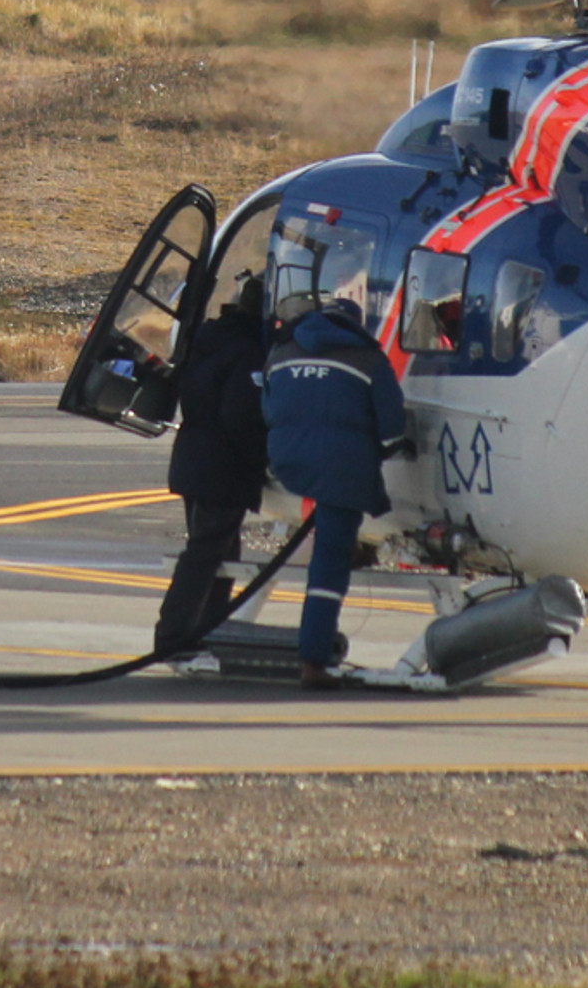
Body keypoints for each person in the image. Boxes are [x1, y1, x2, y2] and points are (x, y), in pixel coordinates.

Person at [261, 279, 409, 690]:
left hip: (288, 464)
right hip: (343, 471)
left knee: (327, 529)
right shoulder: (367, 359)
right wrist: (390, 450)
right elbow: (393, 428)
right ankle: (314, 659)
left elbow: (269, 408)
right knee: (329, 564)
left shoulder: (282, 352)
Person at [154, 275, 272, 657]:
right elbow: (241, 415)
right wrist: (261, 459)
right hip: (223, 467)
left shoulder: (208, 340)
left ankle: (210, 629)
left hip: (193, 459)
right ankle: (174, 634)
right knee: (207, 552)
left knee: (220, 552)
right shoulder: (249, 349)